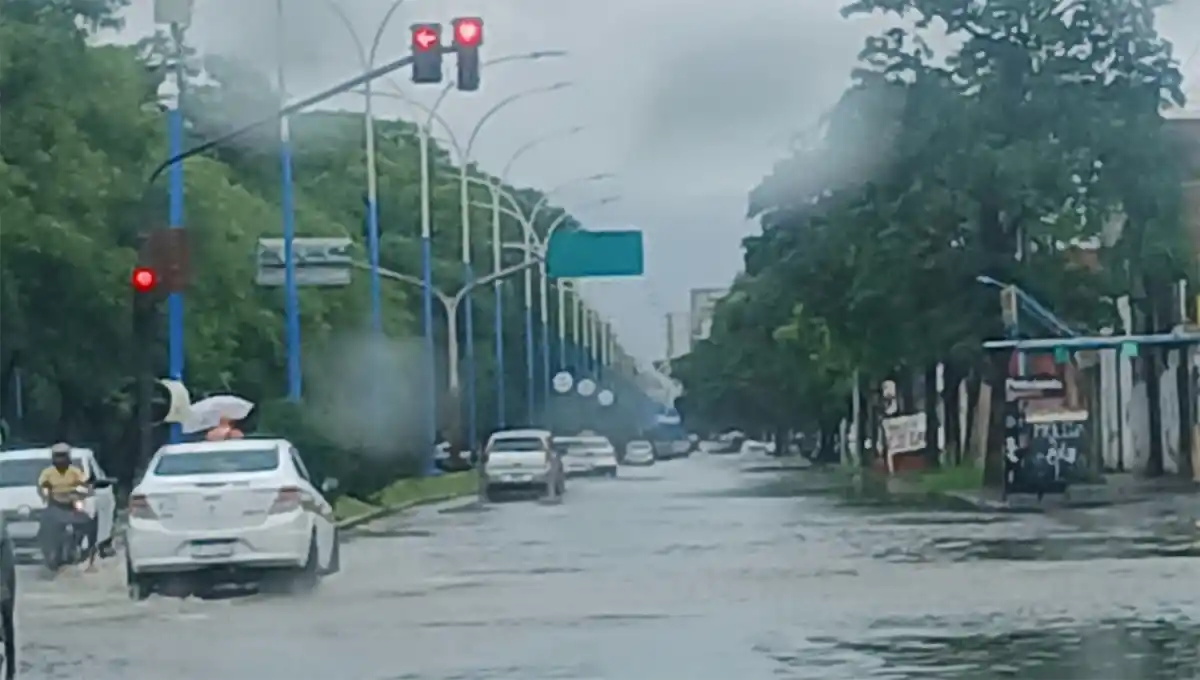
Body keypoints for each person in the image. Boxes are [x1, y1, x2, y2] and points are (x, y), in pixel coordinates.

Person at [37, 443, 95, 571]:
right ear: (53, 458)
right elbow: (43, 486)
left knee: (89, 522)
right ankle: (49, 552)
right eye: (58, 456)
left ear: (68, 457)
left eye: (63, 456)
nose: (60, 460)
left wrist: (87, 491)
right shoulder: (48, 473)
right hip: (55, 505)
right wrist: (45, 493)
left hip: (72, 505)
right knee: (46, 524)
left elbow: (85, 483)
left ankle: (88, 551)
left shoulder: (75, 471)